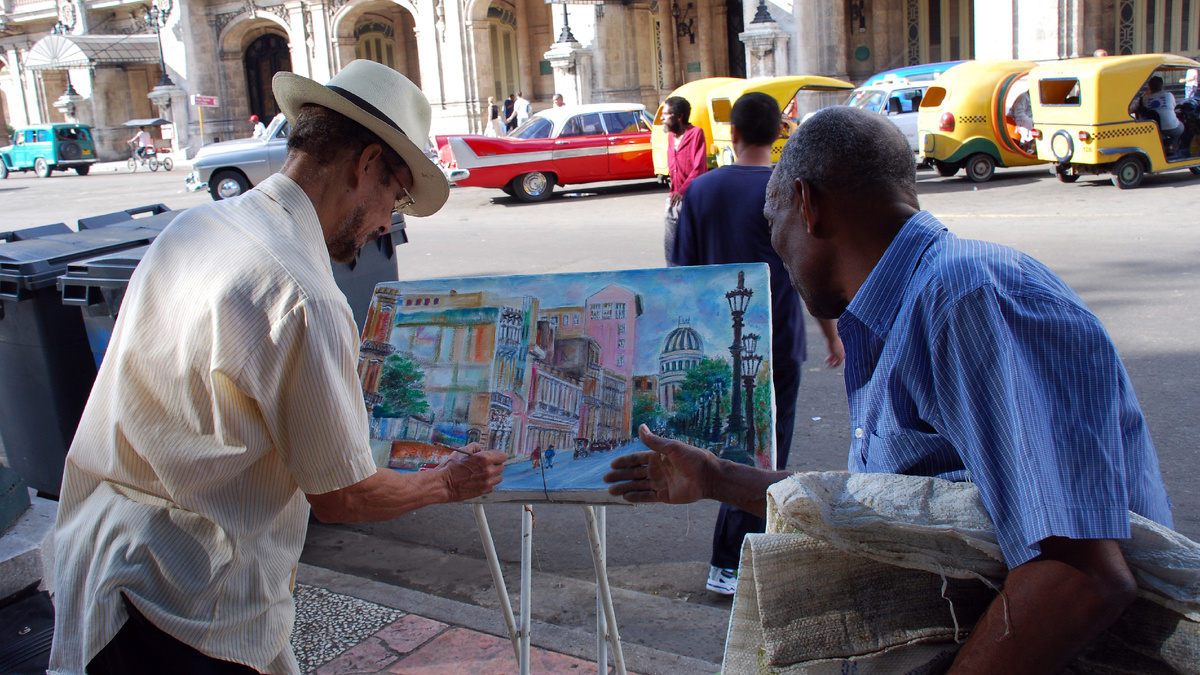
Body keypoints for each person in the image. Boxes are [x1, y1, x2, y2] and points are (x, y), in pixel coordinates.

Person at [607, 106, 1173, 672]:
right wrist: (718, 478)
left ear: (808, 204)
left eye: (777, 233)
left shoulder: (966, 299)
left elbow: (1078, 577)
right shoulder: (902, 312)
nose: (782, 259)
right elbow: (901, 510)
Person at [50, 59, 508, 675]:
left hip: (103, 560)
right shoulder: (302, 293)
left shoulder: (198, 224)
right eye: (393, 199)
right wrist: (448, 483)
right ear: (365, 163)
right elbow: (343, 497)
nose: (382, 225)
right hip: (187, 601)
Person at [668, 92, 844, 596]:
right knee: (763, 455)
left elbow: (682, 275)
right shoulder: (790, 189)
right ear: (777, 134)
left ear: (734, 134)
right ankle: (734, 561)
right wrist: (831, 335)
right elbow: (811, 273)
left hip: (720, 343)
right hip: (778, 345)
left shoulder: (701, 192)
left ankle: (735, 560)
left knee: (735, 449)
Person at [662, 95, 707, 261]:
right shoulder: (670, 137)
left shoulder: (696, 134)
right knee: (671, 248)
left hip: (691, 199)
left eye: (666, 114)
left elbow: (699, 168)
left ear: (679, 116)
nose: (662, 118)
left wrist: (682, 191)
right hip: (673, 200)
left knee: (693, 247)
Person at [1140, 75, 1183, 154]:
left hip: (1154, 128)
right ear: (1161, 86)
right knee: (1181, 128)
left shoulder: (1145, 99)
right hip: (1171, 128)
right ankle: (1172, 145)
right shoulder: (1168, 95)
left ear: (1149, 87)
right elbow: (1174, 107)